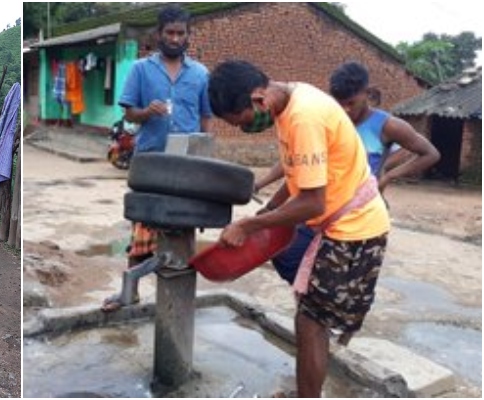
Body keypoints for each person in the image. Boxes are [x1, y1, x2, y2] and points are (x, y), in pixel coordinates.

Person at [208, 60, 390, 397]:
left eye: (244, 122)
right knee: (309, 312)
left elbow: (312, 202)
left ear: (259, 98)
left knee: (310, 324)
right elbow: (298, 175)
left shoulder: (303, 118)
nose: (248, 130)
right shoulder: (292, 98)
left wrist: (249, 225)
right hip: (342, 222)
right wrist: (270, 209)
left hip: (354, 228)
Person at [255, 61, 440, 285]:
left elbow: (429, 153)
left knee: (336, 280)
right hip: (319, 204)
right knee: (285, 253)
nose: (346, 110)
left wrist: (388, 175)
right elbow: (298, 165)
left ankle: (319, 304)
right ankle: (311, 301)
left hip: (353, 213)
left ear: (368, 94)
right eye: (339, 103)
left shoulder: (388, 126)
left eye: (351, 103)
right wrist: (264, 191)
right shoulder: (325, 117)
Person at [101, 4, 212, 312]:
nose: (175, 38)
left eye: (181, 33)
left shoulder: (201, 74)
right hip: (150, 161)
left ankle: (179, 293)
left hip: (187, 165)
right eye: (170, 32)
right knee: (143, 224)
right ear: (159, 34)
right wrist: (145, 112)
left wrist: (206, 161)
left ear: (188, 36)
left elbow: (205, 121)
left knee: (183, 225)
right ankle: (131, 290)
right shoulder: (141, 70)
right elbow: (129, 113)